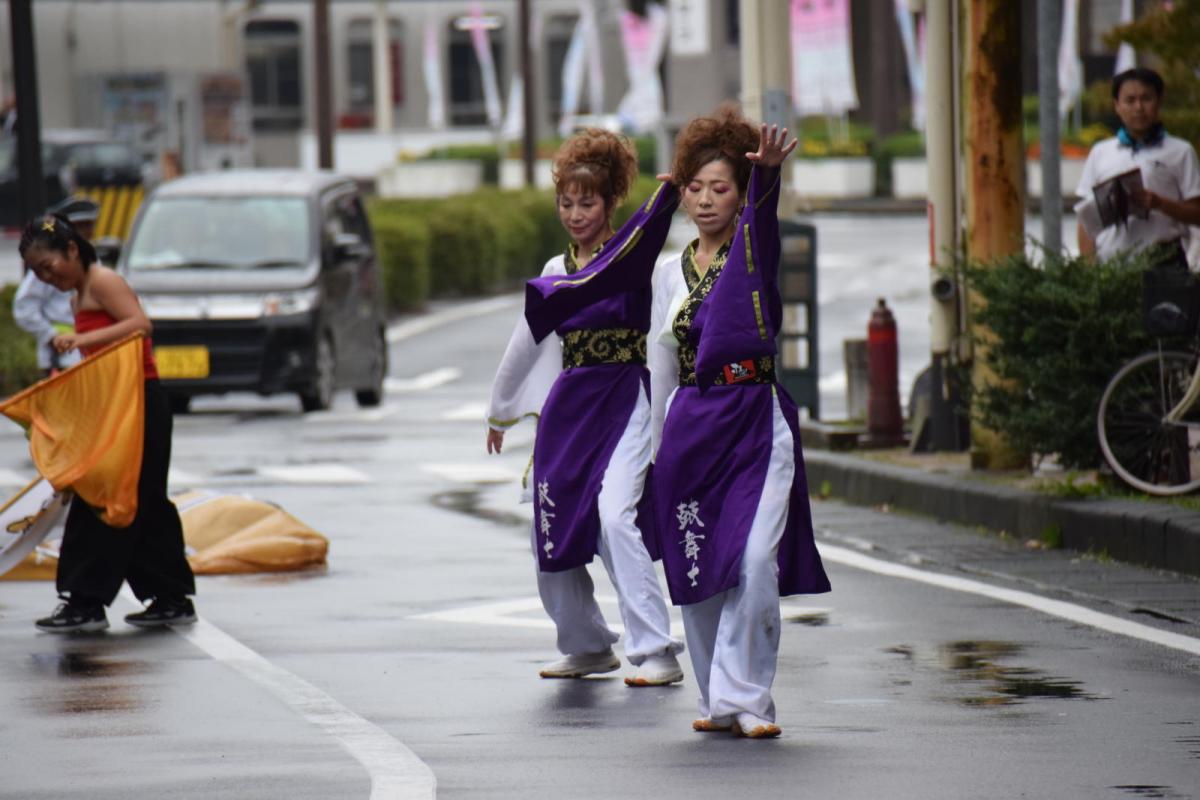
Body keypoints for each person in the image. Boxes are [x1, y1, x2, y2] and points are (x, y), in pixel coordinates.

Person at [647, 107, 830, 739]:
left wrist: (768, 179)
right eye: (693, 187)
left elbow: (765, 220)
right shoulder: (670, 270)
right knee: (695, 566)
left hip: (754, 419)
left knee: (754, 562)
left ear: (742, 192)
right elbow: (661, 359)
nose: (703, 200)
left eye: (719, 187)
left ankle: (749, 698)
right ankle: (715, 695)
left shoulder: (753, 247)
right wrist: (652, 449)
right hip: (689, 427)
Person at [486, 129, 685, 686]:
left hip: (624, 402)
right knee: (548, 525)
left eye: (587, 202)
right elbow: (524, 342)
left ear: (612, 199)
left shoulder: (632, 257)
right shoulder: (555, 268)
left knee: (615, 517)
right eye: (566, 202)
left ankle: (656, 649)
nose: (575, 214)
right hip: (570, 412)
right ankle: (587, 643)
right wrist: (499, 411)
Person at [19, 213, 197, 633]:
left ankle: (88, 601)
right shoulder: (77, 295)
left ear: (72, 251)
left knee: (116, 498)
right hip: (118, 406)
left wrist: (81, 340)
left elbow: (140, 326)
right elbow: (102, 360)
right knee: (123, 498)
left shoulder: (102, 281)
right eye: (37, 273)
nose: (47, 277)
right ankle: (165, 597)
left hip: (142, 403)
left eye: (49, 266)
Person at [1075, 68, 1200, 267]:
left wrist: (1160, 203)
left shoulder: (1181, 151)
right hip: (1112, 264)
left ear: (1159, 101)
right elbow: (1085, 220)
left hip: (1164, 262)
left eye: (1146, 98)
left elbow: (1196, 213)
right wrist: (1088, 267)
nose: (1139, 107)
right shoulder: (1101, 152)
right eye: (1130, 100)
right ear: (1117, 106)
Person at [12, 197, 99, 376]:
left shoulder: (93, 259)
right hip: (62, 357)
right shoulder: (52, 263)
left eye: (89, 225)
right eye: (79, 226)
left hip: (91, 350)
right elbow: (24, 307)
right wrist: (51, 335)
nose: (86, 231)